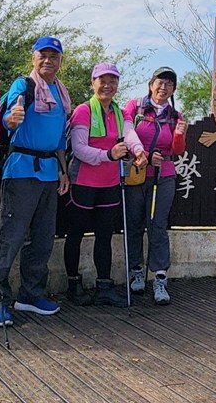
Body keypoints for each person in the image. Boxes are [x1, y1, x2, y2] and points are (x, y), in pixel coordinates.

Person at [0, 36, 72, 328]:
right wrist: (13, 117)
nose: (48, 61)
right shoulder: (23, 86)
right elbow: (9, 117)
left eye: (54, 56)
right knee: (10, 238)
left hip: (50, 173)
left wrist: (63, 170)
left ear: (61, 61)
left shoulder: (61, 94)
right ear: (33, 58)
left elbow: (61, 137)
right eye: (43, 56)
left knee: (43, 238)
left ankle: (31, 295)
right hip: (21, 171)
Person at [63, 62, 146, 307]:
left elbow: (130, 135)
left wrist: (139, 151)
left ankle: (104, 286)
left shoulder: (121, 113)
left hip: (110, 182)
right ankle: (73, 284)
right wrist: (108, 155)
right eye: (102, 80)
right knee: (75, 234)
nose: (107, 85)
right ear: (93, 82)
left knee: (104, 235)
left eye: (113, 81)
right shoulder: (83, 110)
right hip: (83, 183)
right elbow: (78, 149)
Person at [122, 67, 187, 305]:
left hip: (164, 175)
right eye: (160, 82)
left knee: (158, 225)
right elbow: (126, 134)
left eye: (169, 84)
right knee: (134, 224)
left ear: (173, 90)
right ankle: (136, 272)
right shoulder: (135, 107)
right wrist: (145, 155)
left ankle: (160, 278)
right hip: (137, 174)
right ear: (151, 84)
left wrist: (179, 135)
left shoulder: (175, 115)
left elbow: (178, 150)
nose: (164, 87)